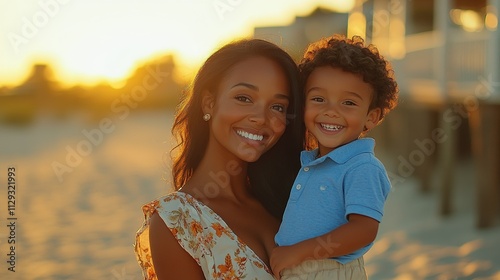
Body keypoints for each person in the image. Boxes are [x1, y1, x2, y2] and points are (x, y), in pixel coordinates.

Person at [134, 38, 305, 279]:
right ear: (209, 103)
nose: (261, 118)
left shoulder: (291, 201)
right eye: (244, 98)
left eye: (277, 106)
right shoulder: (177, 222)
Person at [271, 34, 399, 279]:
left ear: (371, 117)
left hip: (328, 270)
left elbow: (363, 230)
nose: (331, 111)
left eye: (348, 103)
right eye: (319, 99)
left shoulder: (362, 166)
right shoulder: (312, 162)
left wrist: (298, 252)